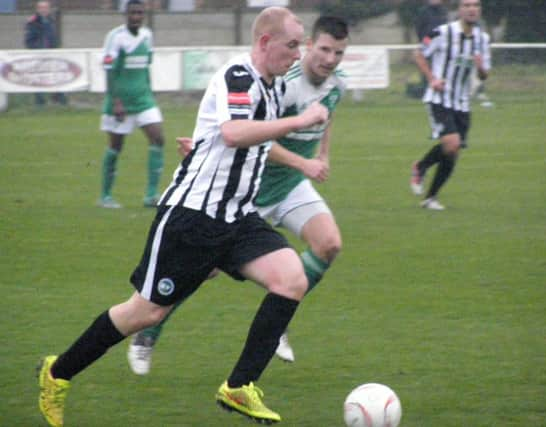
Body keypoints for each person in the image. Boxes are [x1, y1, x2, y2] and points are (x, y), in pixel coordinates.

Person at [37, 6, 329, 427]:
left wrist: (204, 145)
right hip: (192, 219)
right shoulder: (240, 75)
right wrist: (298, 121)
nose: (297, 54)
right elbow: (233, 131)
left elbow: (231, 138)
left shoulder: (272, 85)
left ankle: (239, 387)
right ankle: (57, 373)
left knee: (291, 278)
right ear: (265, 42)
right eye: (291, 45)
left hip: (236, 216)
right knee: (146, 312)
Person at [126, 15, 349, 374]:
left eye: (338, 52)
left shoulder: (338, 84)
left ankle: (277, 322)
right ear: (309, 46)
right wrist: (303, 164)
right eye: (324, 49)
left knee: (329, 244)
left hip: (290, 186)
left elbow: (326, 116)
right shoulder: (285, 83)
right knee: (204, 269)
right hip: (251, 188)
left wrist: (323, 156)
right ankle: (149, 331)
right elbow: (255, 136)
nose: (330, 59)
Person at [410, 0, 491, 210]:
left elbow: (484, 74)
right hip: (440, 99)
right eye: (467, 5)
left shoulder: (483, 39)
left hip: (462, 103)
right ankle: (421, 167)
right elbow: (419, 54)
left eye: (476, 5)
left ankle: (430, 198)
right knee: (452, 143)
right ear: (459, 10)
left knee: (452, 152)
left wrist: (481, 69)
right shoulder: (441, 32)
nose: (472, 9)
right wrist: (432, 79)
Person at [98, 0, 165, 209]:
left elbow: (146, 67)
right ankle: (105, 196)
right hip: (121, 103)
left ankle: (151, 196)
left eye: (140, 13)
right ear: (125, 14)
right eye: (133, 13)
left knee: (158, 139)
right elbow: (109, 70)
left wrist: (150, 93)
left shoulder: (147, 35)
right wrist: (116, 102)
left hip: (144, 100)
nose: (136, 16)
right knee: (116, 146)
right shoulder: (116, 37)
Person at [24, 1, 67, 107]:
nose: (43, 10)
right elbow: (28, 41)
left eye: (46, 8)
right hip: (38, 56)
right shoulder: (33, 22)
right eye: (41, 8)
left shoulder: (51, 21)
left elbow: (54, 38)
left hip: (52, 55)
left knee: (56, 77)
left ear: (49, 9)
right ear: (37, 9)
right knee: (38, 78)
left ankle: (60, 101)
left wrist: (56, 48)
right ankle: (40, 103)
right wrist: (39, 49)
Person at [412, 0, 448, 98]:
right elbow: (419, 27)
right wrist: (424, 41)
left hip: (441, 45)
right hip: (428, 42)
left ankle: (441, 88)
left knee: (441, 69)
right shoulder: (423, 11)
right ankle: (426, 89)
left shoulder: (443, 11)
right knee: (426, 67)